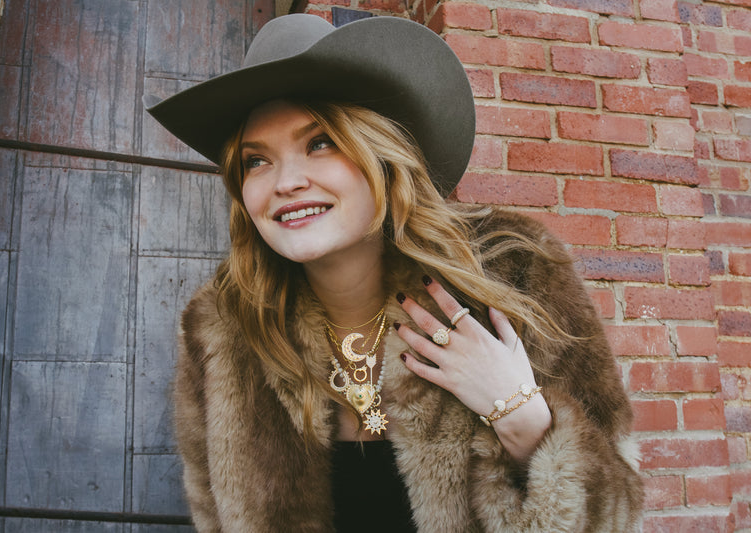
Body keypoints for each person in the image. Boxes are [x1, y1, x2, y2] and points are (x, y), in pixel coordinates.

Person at [146, 13, 643, 532]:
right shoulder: (223, 327)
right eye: (256, 161)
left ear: (382, 154)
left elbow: (616, 519)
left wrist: (519, 415)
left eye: (320, 142)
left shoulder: (514, 272)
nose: (286, 182)